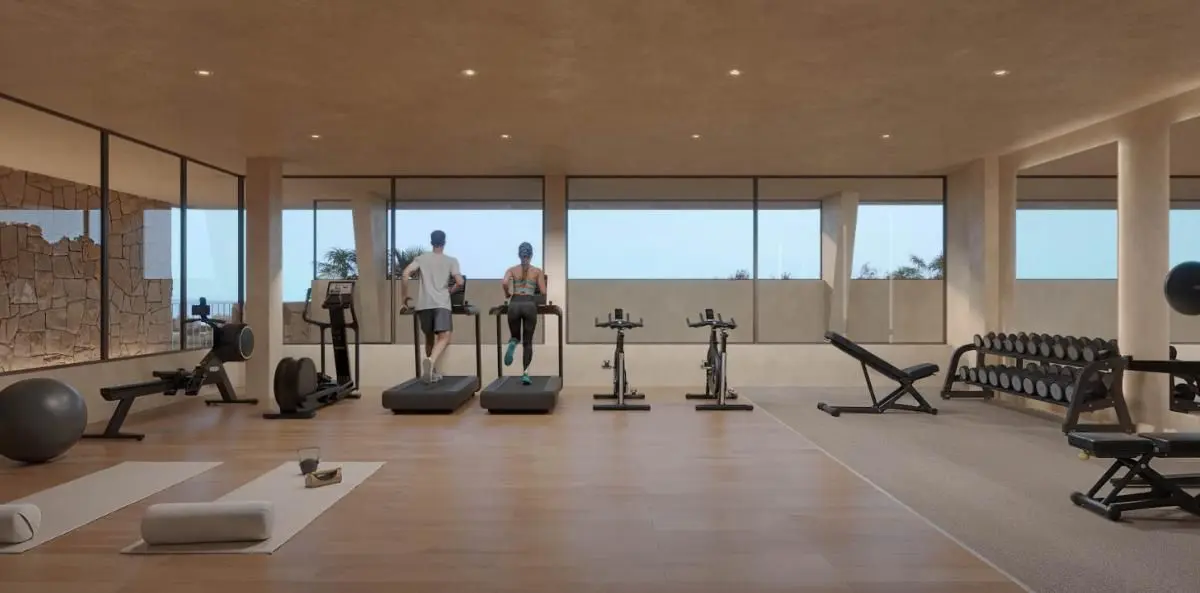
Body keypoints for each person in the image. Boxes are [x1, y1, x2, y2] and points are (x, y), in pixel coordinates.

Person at [399, 230, 463, 383]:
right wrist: (451, 290)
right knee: (444, 336)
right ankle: (431, 360)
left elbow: (405, 274)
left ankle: (431, 373)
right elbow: (460, 282)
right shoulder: (451, 260)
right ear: (444, 242)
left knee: (429, 338)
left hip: (424, 305)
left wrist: (404, 298)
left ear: (431, 242)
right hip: (441, 303)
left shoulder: (421, 259)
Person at [502, 242, 546, 385]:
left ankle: (513, 343)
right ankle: (525, 374)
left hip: (514, 304)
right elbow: (543, 291)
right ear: (531, 255)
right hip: (529, 305)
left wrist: (507, 293)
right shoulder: (537, 271)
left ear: (519, 255)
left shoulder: (512, 270)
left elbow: (504, 282)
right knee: (528, 342)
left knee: (516, 336)